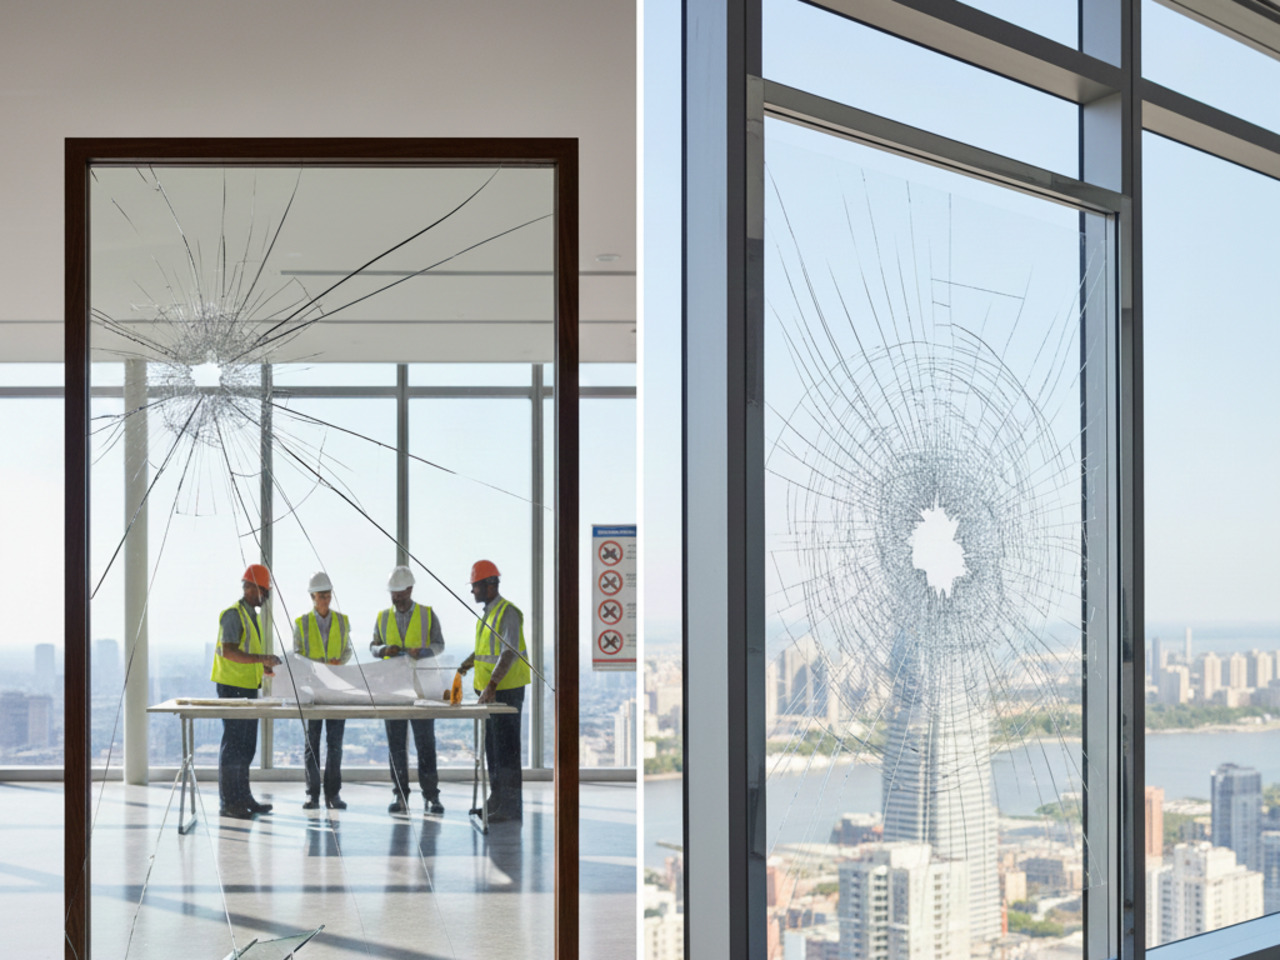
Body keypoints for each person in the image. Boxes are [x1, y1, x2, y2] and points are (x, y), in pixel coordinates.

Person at [457, 560, 530, 824]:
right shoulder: (488, 613)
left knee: (507, 752)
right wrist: (468, 663)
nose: (472, 591)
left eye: (475, 586)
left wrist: (491, 686)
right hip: (493, 695)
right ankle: (496, 801)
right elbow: (486, 650)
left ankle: (510, 808)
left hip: (506, 693)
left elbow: (508, 652)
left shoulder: (507, 612)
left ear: (489, 585)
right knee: (494, 751)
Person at [210, 563, 282, 820]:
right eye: (263, 589)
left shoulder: (251, 615)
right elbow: (229, 651)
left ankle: (244, 797)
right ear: (250, 587)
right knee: (234, 746)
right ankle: (229, 802)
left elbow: (245, 653)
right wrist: (261, 658)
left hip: (248, 688)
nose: (265, 595)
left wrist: (261, 666)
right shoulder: (233, 615)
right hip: (232, 689)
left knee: (247, 746)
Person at [371, 564, 445, 815]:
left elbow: (439, 645)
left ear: (410, 589)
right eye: (393, 593)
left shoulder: (427, 614)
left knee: (426, 744)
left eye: (400, 593)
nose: (396, 598)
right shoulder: (382, 617)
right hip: (393, 690)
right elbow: (373, 645)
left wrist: (421, 652)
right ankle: (400, 796)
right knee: (396, 746)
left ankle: (432, 796)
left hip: (422, 689)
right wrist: (383, 651)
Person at [293, 570, 352, 811]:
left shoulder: (342, 621)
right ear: (312, 597)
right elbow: (297, 652)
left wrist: (340, 660)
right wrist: (314, 666)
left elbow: (347, 649)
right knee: (313, 742)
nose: (326, 600)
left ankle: (333, 794)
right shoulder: (302, 623)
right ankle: (312, 794)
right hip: (313, 689)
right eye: (321, 596)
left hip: (337, 687)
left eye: (328, 595)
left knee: (335, 743)